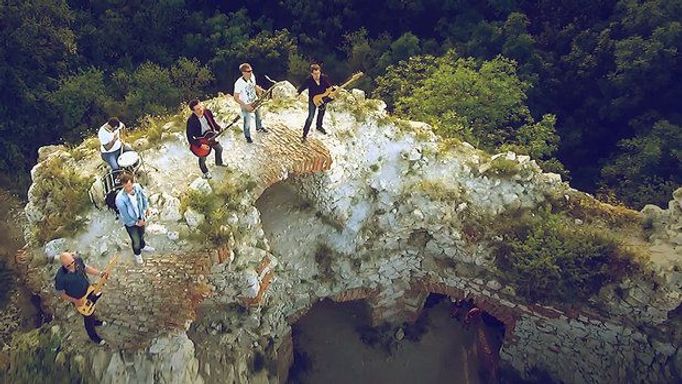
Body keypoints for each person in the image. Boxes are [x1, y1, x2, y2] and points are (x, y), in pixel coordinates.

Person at [54, 251, 108, 345]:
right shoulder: (60, 277)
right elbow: (61, 293)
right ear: (63, 265)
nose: (72, 266)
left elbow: (86, 268)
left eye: (72, 262)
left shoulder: (77, 260)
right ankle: (93, 336)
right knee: (88, 318)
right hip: (78, 299)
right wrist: (75, 301)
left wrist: (100, 273)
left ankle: (95, 321)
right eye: (68, 265)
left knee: (92, 307)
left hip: (88, 290)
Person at [115, 172, 154, 264]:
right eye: (126, 186)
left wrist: (146, 208)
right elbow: (125, 215)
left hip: (141, 216)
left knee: (142, 233)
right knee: (135, 240)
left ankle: (143, 246)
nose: (129, 188)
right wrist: (137, 222)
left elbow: (143, 197)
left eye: (130, 185)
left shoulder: (137, 187)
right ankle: (137, 254)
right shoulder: (120, 199)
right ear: (123, 185)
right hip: (131, 223)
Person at [186, 99, 227, 179]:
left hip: (211, 136)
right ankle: (205, 172)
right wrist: (200, 145)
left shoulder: (207, 112)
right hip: (201, 141)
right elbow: (190, 137)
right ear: (193, 111)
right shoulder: (191, 121)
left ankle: (218, 162)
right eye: (197, 109)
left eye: (201, 107)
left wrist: (219, 128)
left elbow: (213, 123)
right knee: (202, 157)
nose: (201, 110)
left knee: (219, 149)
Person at [233, 63, 268, 143]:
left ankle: (259, 127)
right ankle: (247, 136)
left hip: (254, 100)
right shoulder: (238, 83)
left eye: (251, 71)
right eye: (248, 71)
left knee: (259, 115)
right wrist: (245, 106)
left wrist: (260, 91)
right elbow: (235, 97)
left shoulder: (252, 77)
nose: (250, 73)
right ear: (243, 72)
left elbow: (254, 86)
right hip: (246, 104)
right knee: (247, 121)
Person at [297, 63, 332, 142]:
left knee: (321, 113)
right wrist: (298, 93)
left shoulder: (324, 78)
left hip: (322, 98)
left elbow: (330, 87)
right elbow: (302, 87)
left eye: (318, 73)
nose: (317, 76)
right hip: (312, 100)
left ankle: (319, 126)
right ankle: (304, 135)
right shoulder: (308, 80)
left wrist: (331, 93)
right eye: (315, 74)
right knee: (310, 117)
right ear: (312, 73)